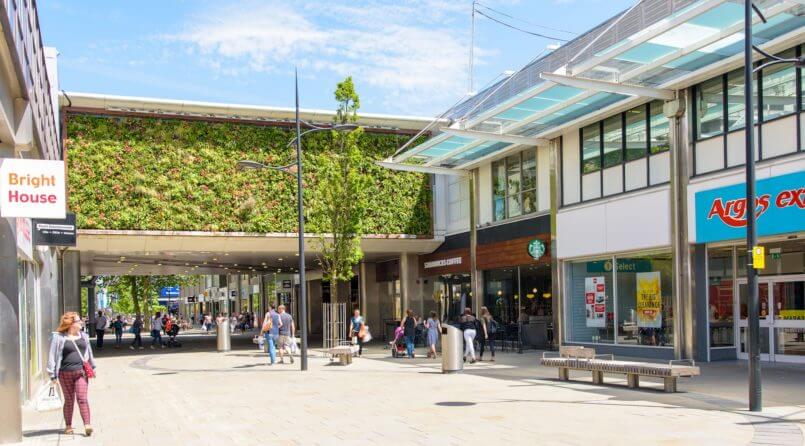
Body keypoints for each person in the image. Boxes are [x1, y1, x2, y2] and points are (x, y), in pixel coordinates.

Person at [47, 312, 96, 437]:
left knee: (82, 399)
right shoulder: (59, 337)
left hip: (81, 372)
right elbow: (52, 356)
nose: (81, 322)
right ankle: (68, 425)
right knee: (69, 401)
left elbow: (89, 352)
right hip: (64, 373)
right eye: (79, 321)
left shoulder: (83, 336)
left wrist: (93, 366)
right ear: (71, 324)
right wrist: (52, 374)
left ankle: (87, 425)